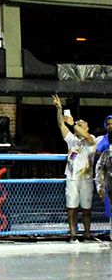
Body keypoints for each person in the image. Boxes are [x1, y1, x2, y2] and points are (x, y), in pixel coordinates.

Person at [53, 95, 99, 242]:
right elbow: (61, 125)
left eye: (81, 125)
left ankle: (87, 233)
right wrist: (59, 109)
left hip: (86, 178)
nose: (78, 126)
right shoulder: (72, 140)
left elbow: (86, 136)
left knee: (87, 208)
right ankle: (73, 233)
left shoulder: (91, 139)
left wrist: (74, 124)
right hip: (72, 178)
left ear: (86, 127)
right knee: (71, 207)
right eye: (77, 125)